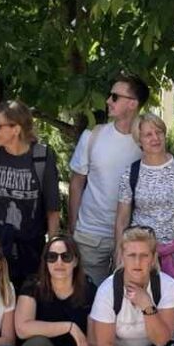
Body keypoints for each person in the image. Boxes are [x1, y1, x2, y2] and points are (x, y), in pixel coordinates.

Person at [0, 99, 61, 282]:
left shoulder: (42, 157)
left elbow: (53, 211)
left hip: (30, 253)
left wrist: (51, 254)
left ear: (16, 129)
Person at [69, 73, 148, 285]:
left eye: (115, 97)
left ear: (132, 103)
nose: (108, 101)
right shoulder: (92, 136)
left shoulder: (147, 142)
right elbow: (76, 183)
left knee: (126, 299)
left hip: (132, 238)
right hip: (89, 236)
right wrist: (73, 228)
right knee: (87, 297)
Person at [114, 113, 174, 299]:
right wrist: (119, 254)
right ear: (139, 140)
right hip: (143, 260)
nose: (155, 138)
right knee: (146, 310)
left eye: (159, 132)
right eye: (148, 134)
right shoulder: (131, 173)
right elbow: (122, 220)